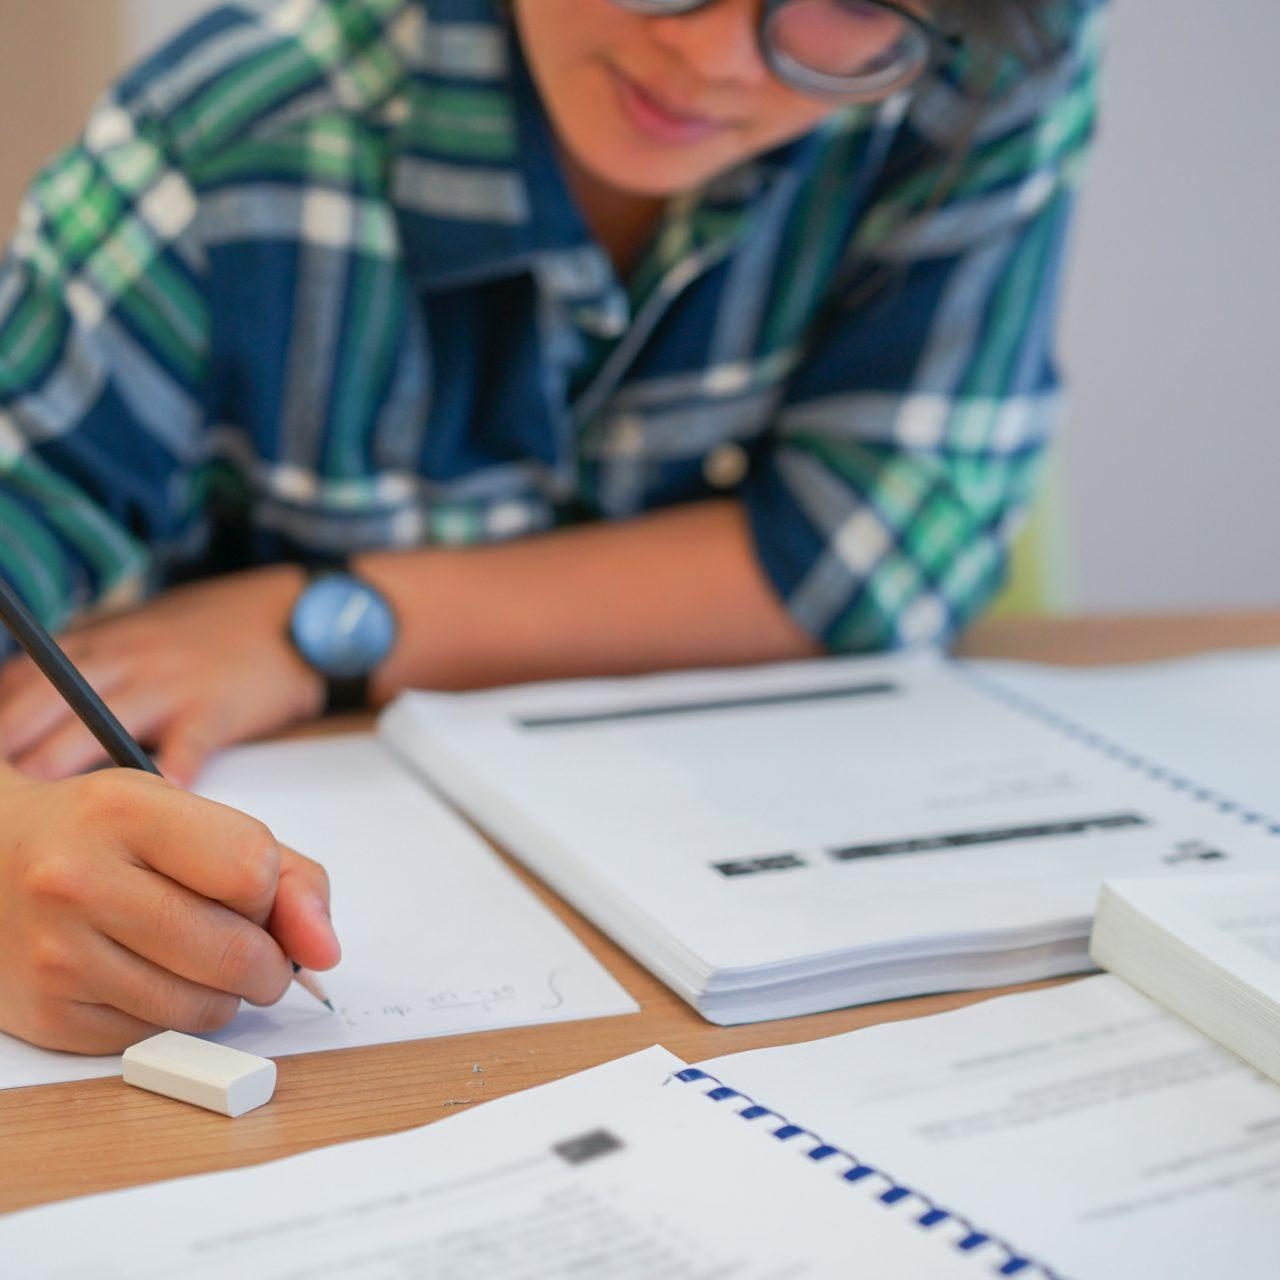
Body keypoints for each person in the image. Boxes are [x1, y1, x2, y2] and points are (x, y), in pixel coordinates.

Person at [0, 0, 1101, 1051]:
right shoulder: (236, 133)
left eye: (849, 5)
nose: (714, 56)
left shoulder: (978, 64)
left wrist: (321, 627)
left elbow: (878, 547)